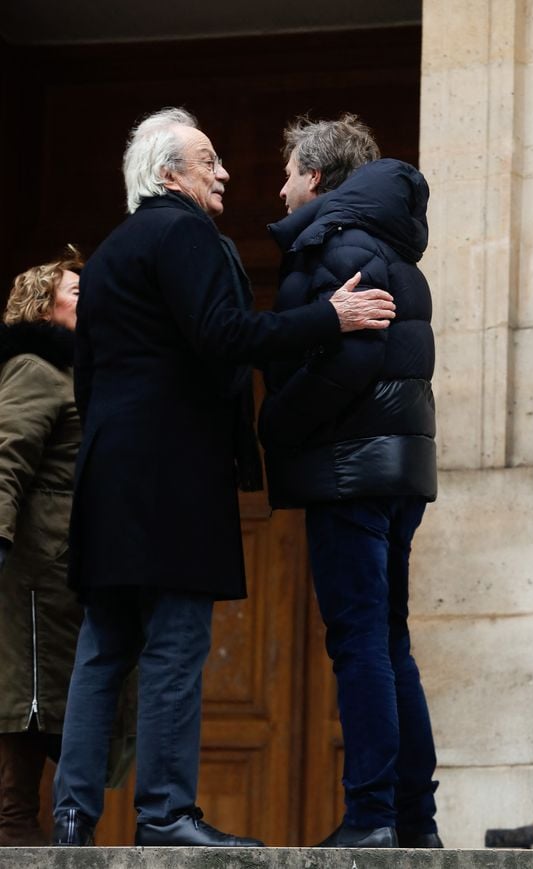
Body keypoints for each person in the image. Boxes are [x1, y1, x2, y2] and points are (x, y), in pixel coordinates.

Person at [51, 107, 396, 848]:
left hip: (110, 473)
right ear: (169, 171)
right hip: (171, 476)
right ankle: (166, 813)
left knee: (104, 645)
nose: (226, 173)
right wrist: (329, 317)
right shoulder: (183, 233)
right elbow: (226, 336)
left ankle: (72, 817)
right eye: (209, 160)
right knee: (175, 643)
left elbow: (88, 377)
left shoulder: (110, 253)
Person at [259, 114, 442, 848]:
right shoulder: (388, 243)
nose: (279, 188)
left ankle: (371, 818)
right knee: (388, 641)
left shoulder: (334, 238)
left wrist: (274, 420)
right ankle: (413, 822)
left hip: (351, 469)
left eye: (287, 173)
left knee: (362, 641)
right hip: (394, 469)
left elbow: (353, 355)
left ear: (315, 177)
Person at [0, 249, 84, 845]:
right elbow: (6, 456)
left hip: (68, 562)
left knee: (63, 696)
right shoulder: (35, 367)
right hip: (34, 563)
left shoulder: (79, 371)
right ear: (42, 304)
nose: (90, 300)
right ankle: (17, 834)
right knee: (30, 697)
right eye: (77, 292)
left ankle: (64, 832)